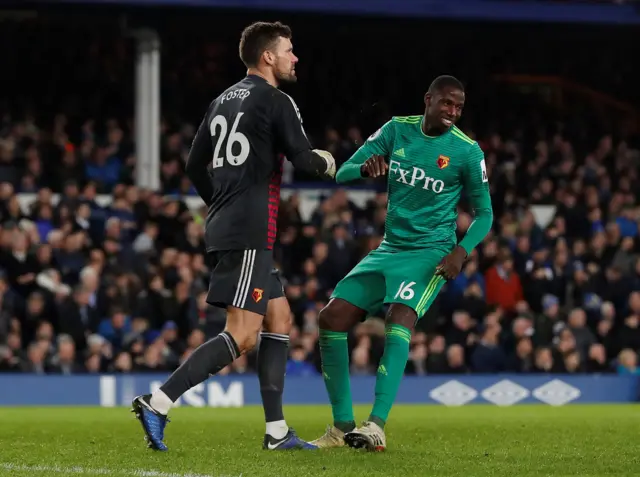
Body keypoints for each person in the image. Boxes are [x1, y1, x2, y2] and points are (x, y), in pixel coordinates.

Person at [131, 21, 336, 452]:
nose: (295, 57)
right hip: (248, 229)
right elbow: (303, 159)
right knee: (242, 335)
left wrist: (220, 201)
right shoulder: (277, 100)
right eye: (289, 50)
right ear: (268, 56)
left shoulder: (222, 100)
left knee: (279, 319)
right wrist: (333, 163)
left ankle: (277, 432)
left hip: (234, 224)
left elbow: (192, 166)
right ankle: (159, 402)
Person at [311, 75, 493, 451]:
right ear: (428, 99)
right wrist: (364, 169)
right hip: (391, 247)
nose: (453, 112)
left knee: (399, 315)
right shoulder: (397, 130)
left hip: (431, 253)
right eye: (446, 103)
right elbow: (343, 170)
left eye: (459, 107)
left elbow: (485, 214)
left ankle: (376, 424)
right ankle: (342, 428)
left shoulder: (467, 152)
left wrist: (461, 251)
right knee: (331, 317)